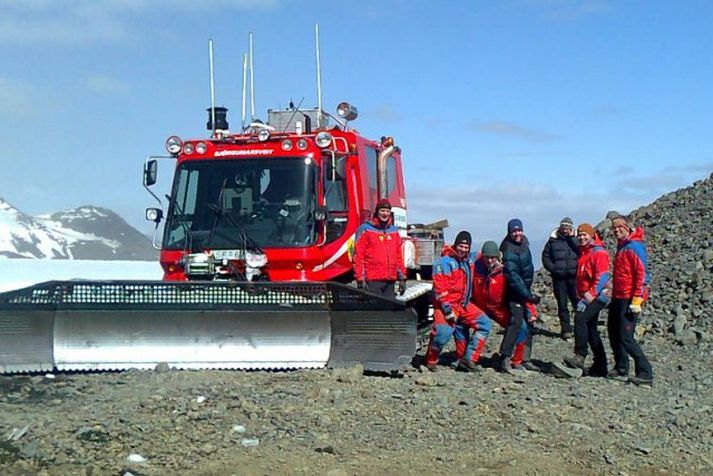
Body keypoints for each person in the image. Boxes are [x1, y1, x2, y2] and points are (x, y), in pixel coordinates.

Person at [424, 231, 491, 372]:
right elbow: (439, 288)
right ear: (456, 244)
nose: (463, 250)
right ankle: (431, 359)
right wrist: (447, 310)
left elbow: (481, 255)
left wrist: (495, 256)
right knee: (442, 334)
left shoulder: (467, 261)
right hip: (447, 305)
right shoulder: (444, 262)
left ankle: (468, 359)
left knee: (484, 323)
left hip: (463, 304)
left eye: (466, 247)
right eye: (461, 246)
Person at [608, 216, 653, 386]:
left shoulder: (634, 247)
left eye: (620, 227)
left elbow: (642, 275)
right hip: (618, 296)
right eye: (614, 228)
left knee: (626, 337)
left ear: (628, 228)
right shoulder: (622, 246)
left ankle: (645, 372)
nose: (617, 230)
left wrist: (637, 300)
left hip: (629, 298)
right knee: (613, 332)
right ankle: (621, 366)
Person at [472, 241, 529, 371]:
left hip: (497, 308)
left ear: (498, 257)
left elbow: (518, 289)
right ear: (483, 256)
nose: (490, 260)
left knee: (522, 327)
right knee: (465, 324)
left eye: (493, 257)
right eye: (487, 257)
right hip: (479, 306)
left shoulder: (504, 271)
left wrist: (530, 309)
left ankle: (515, 360)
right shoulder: (475, 267)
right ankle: (469, 358)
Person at [563, 223, 611, 377]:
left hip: (599, 295)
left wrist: (588, 297)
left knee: (580, 319)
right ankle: (600, 365)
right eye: (580, 235)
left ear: (591, 235)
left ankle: (580, 356)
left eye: (585, 235)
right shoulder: (585, 252)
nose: (582, 238)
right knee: (591, 329)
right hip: (588, 295)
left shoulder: (599, 253)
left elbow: (602, 277)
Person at [498, 219, 540, 373]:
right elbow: (513, 277)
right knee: (516, 323)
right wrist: (529, 296)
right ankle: (505, 358)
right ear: (509, 233)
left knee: (530, 324)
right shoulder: (508, 249)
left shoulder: (524, 244)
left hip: (524, 291)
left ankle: (523, 359)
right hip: (513, 293)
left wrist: (528, 293)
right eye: (514, 231)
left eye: (519, 230)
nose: (517, 233)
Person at [353, 199, 406, 298]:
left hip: (390, 280)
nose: (385, 214)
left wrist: (402, 277)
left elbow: (398, 256)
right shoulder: (365, 229)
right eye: (382, 211)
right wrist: (360, 278)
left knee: (389, 310)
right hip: (372, 280)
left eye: (387, 211)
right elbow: (358, 255)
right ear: (377, 212)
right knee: (374, 311)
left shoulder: (394, 231)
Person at [541, 217, 580, 339]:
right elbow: (545, 256)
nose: (566, 230)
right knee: (562, 304)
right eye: (564, 227)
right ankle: (566, 330)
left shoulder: (575, 239)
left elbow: (581, 250)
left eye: (568, 227)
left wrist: (572, 238)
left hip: (574, 277)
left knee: (578, 303)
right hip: (559, 278)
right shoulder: (553, 241)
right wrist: (553, 269)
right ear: (560, 227)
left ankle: (580, 328)